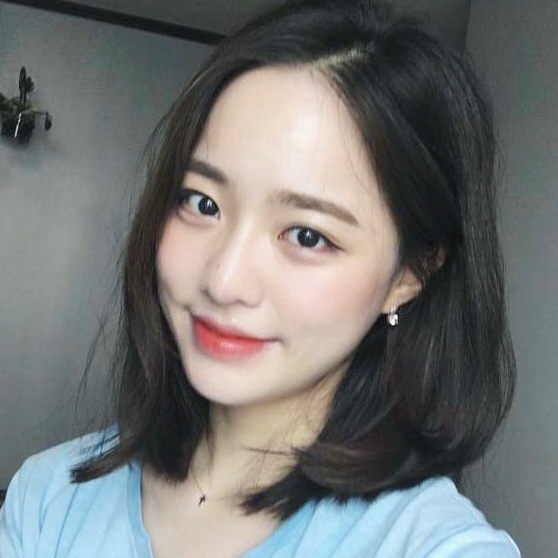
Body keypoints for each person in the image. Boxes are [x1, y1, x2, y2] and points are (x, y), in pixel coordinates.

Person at [0, 0, 521, 556]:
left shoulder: (433, 545)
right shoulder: (49, 497)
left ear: (409, 274)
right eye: (202, 202)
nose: (223, 281)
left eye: (307, 236)